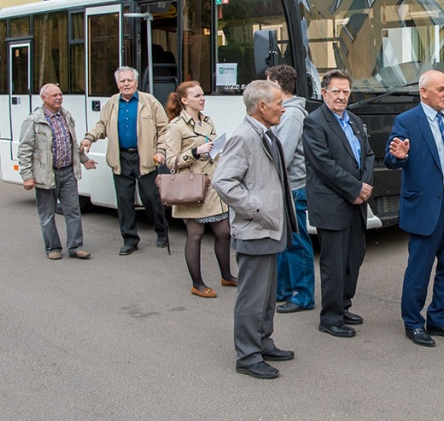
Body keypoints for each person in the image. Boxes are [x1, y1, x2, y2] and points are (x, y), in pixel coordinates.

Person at [212, 80, 298, 380]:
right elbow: (223, 181)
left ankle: (262, 342)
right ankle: (247, 356)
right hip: (256, 230)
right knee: (252, 297)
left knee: (267, 294)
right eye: (278, 103)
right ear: (262, 106)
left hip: (270, 230)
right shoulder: (245, 137)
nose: (282, 108)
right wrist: (258, 209)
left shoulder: (265, 133)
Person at [385, 70, 444, 348]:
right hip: (425, 205)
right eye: (440, 89)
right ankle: (413, 322)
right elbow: (391, 158)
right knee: (420, 268)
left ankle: (439, 318)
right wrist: (399, 156)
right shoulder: (407, 121)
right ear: (424, 92)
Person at [303, 69, 374, 338]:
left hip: (357, 202)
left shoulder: (354, 121)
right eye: (336, 91)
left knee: (354, 257)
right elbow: (323, 164)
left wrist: (364, 188)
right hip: (332, 204)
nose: (342, 96)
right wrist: (355, 188)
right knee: (334, 264)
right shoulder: (314, 122)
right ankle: (330, 318)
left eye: (346, 91)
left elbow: (367, 154)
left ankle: (343, 306)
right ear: (324, 93)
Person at [80, 67, 169, 255]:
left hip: (145, 157)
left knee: (151, 198)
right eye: (122, 81)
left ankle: (161, 231)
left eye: (130, 80)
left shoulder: (149, 101)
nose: (126, 84)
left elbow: (164, 128)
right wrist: (89, 138)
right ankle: (130, 240)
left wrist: (161, 151)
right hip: (120, 158)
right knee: (124, 201)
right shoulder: (112, 103)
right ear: (117, 84)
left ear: (136, 83)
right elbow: (101, 126)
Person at [164, 81, 235, 298]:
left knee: (224, 232)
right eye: (197, 96)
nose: (202, 98)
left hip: (212, 184)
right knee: (195, 234)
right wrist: (194, 152)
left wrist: (219, 153)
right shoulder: (175, 126)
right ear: (184, 100)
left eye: (202, 95)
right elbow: (170, 161)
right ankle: (198, 283)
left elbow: (214, 149)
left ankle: (226, 275)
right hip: (192, 187)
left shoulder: (208, 121)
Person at [18, 84, 97, 260]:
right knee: (47, 214)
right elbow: (24, 150)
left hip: (68, 171)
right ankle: (53, 248)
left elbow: (71, 143)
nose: (59, 98)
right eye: (54, 95)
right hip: (46, 174)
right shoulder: (33, 120)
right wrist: (27, 176)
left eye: (60, 94)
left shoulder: (66, 116)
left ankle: (76, 247)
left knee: (73, 211)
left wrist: (84, 160)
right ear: (44, 98)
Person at [265, 65, 315, 315]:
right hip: (287, 186)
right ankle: (283, 290)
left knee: (297, 242)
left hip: (292, 187)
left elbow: (282, 154)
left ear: (275, 84)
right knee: (285, 241)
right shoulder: (287, 111)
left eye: (267, 82)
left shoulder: (292, 115)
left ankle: (303, 295)